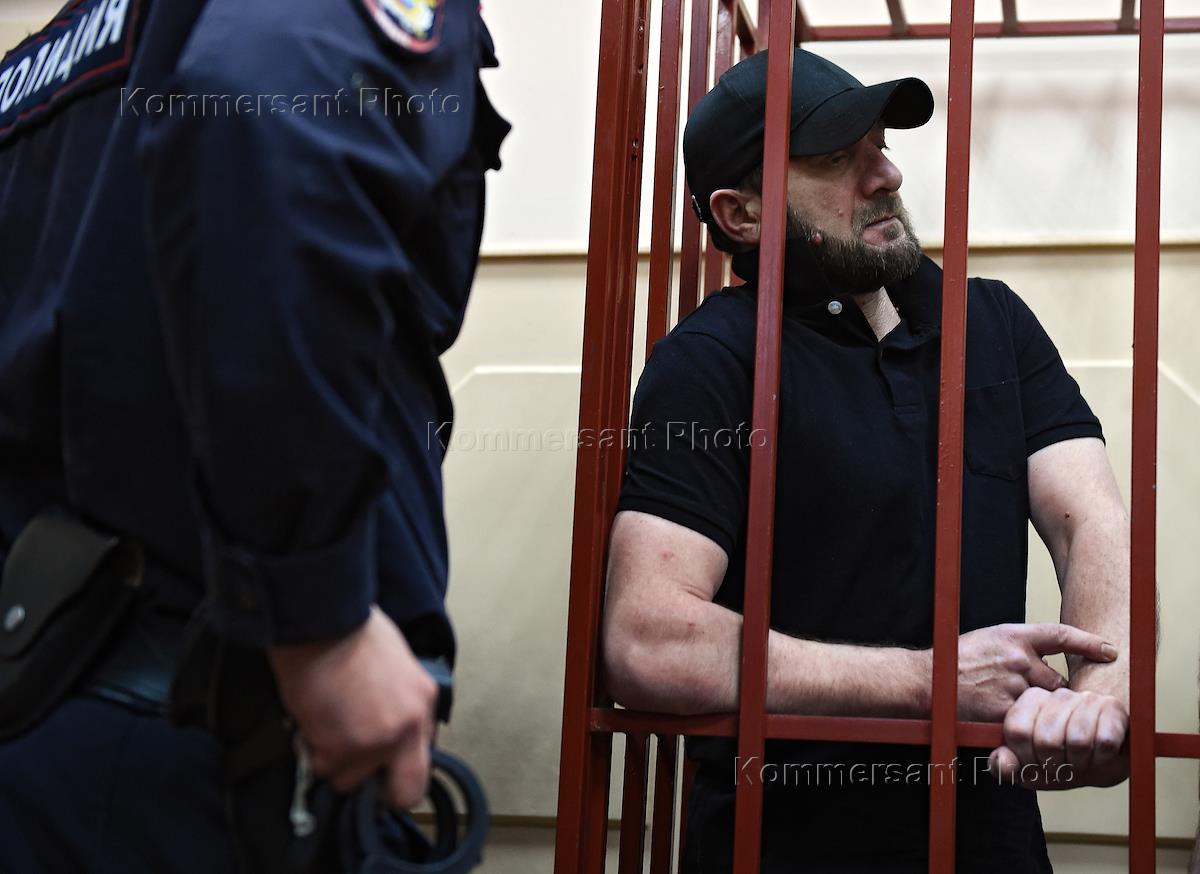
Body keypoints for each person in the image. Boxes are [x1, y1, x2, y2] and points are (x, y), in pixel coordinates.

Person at [0, 0, 508, 871]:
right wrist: (319, 624)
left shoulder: (33, 72)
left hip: (44, 731)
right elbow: (265, 101)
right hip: (207, 748)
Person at [603, 48, 1130, 872]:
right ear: (741, 214)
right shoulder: (709, 362)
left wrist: (1101, 696)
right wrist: (930, 682)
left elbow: (1089, 520)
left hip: (986, 835)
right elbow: (649, 641)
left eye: (879, 145)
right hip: (781, 840)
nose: (885, 174)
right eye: (835, 160)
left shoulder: (989, 322)